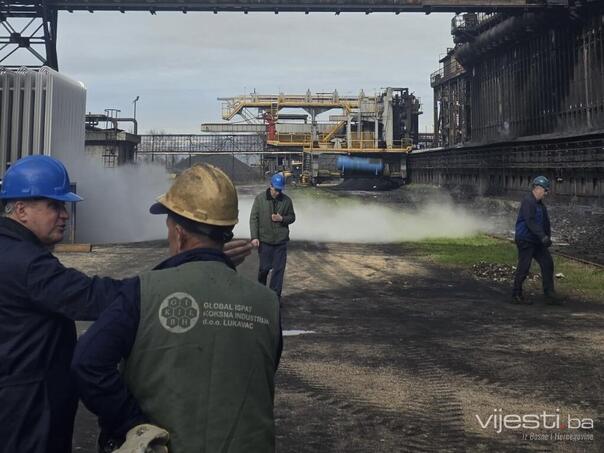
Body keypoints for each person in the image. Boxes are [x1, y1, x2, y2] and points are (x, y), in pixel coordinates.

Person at [0, 155, 252, 453]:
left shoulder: (11, 251)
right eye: (54, 206)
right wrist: (186, 268)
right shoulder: (28, 265)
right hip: (26, 413)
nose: (65, 214)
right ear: (21, 210)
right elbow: (94, 297)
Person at [72, 164, 282, 453]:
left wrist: (132, 424)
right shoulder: (267, 302)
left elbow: (87, 362)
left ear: (180, 234)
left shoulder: (142, 290)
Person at [511, 175, 561, 305]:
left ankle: (549, 294)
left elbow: (545, 223)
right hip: (525, 239)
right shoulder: (528, 201)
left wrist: (547, 237)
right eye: (545, 190)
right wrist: (542, 236)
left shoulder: (540, 205)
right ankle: (516, 294)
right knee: (524, 266)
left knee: (547, 263)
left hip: (536, 240)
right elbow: (530, 221)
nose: (546, 193)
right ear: (537, 188)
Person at [250, 172, 296, 301]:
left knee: (278, 271)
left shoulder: (287, 201)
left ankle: (274, 299)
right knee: (264, 269)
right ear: (270, 186)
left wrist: (282, 219)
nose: (277, 192)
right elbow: (254, 219)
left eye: (280, 190)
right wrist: (254, 237)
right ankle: (261, 295)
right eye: (276, 189)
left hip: (280, 242)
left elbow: (292, 217)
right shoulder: (260, 199)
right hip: (265, 241)